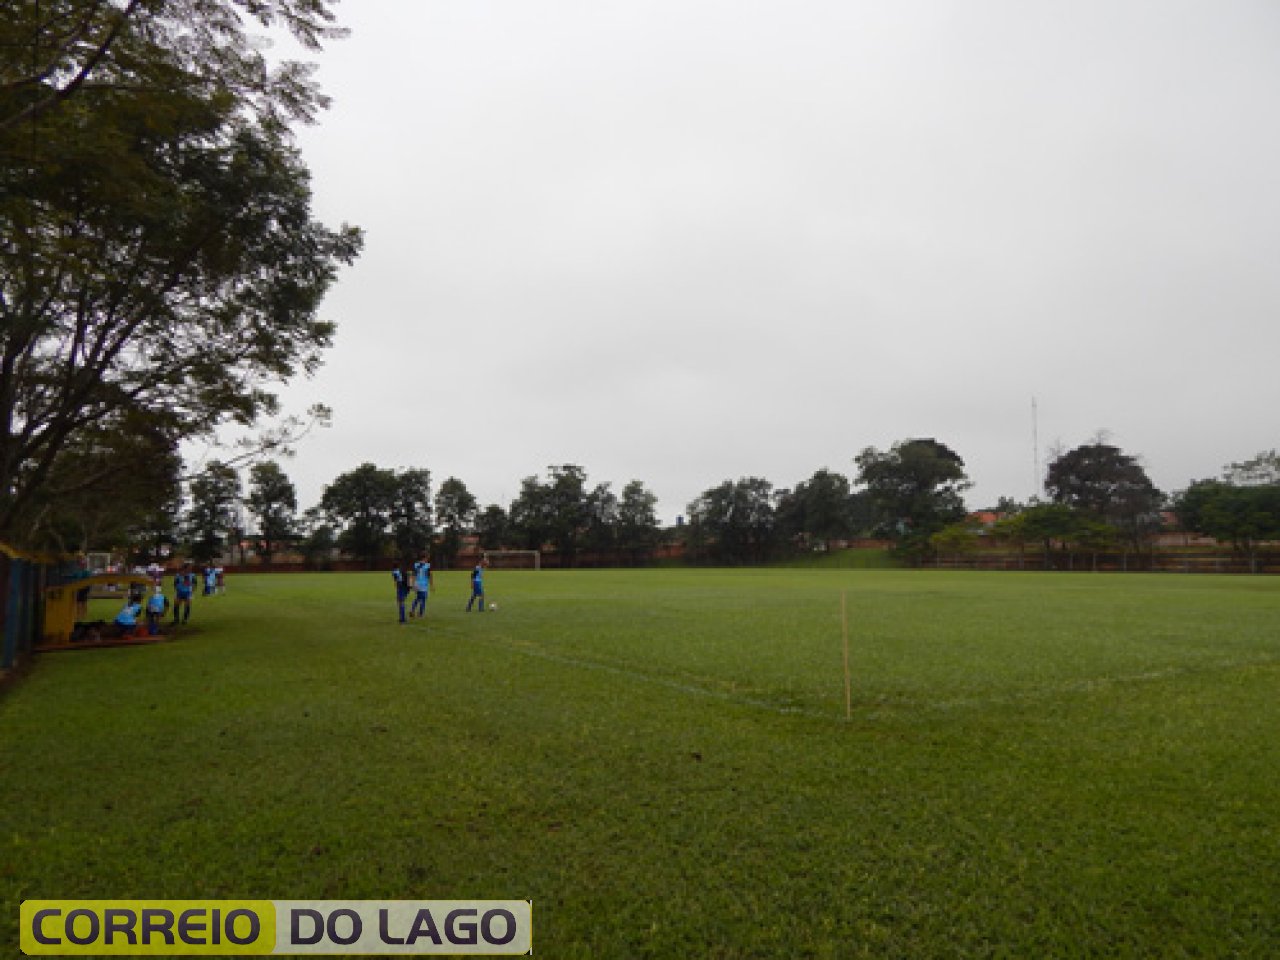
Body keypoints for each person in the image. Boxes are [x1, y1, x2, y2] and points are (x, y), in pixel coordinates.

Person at [409, 553, 434, 619]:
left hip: (417, 584)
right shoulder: (427, 565)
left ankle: (412, 610)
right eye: (427, 558)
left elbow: (412, 575)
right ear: (425, 558)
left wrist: (412, 584)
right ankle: (420, 614)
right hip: (424, 585)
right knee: (423, 599)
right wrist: (432, 585)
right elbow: (430, 576)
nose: (428, 559)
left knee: (418, 598)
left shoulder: (416, 565)